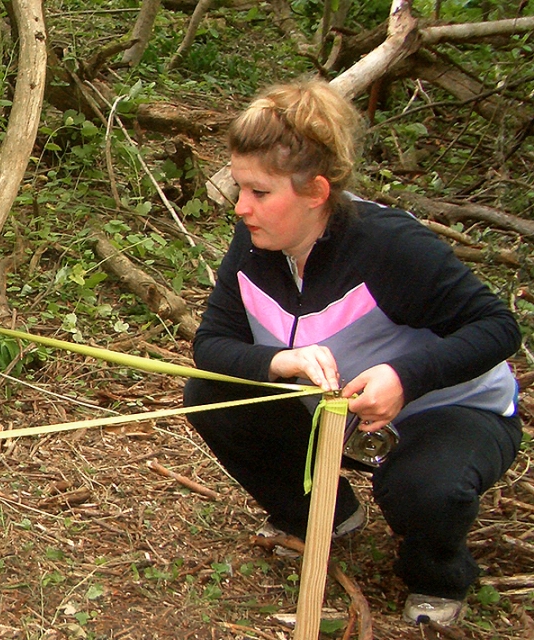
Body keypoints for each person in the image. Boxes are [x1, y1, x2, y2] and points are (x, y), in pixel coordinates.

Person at [183, 79, 522, 626]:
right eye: (240, 188)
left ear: (316, 191)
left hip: (448, 410)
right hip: (337, 412)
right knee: (210, 394)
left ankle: (438, 574)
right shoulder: (255, 242)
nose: (241, 207)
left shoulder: (389, 245)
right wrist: (281, 362)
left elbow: (499, 328)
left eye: (260, 193)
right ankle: (328, 516)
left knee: (425, 488)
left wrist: (404, 377)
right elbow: (212, 346)